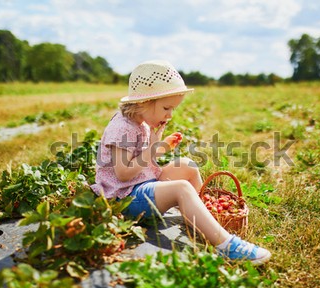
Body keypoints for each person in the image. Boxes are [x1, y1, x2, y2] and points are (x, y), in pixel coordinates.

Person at [90, 60, 271, 265]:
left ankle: (206, 219)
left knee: (187, 166)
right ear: (144, 103)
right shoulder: (122, 127)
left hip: (140, 184)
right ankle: (225, 245)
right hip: (125, 198)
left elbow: (145, 160)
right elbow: (123, 173)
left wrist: (158, 145)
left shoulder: (142, 122)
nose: (170, 114)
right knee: (182, 189)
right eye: (166, 108)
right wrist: (152, 150)